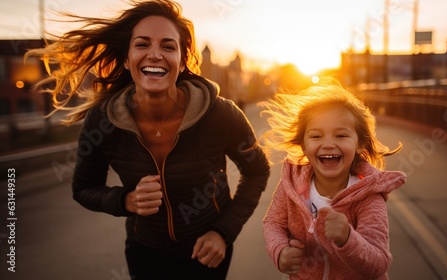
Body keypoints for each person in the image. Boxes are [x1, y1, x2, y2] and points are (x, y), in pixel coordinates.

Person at [26, 1, 270, 279]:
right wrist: (125, 200)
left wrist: (223, 232)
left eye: (168, 46)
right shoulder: (102, 121)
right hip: (145, 252)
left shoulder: (220, 114)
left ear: (182, 62)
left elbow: (258, 171)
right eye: (142, 44)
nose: (155, 54)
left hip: (207, 253)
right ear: (128, 59)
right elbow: (83, 189)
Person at [260, 79, 406, 279]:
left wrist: (348, 238)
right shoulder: (292, 184)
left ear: (360, 144)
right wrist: (280, 251)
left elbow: (378, 264)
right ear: (303, 145)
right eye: (316, 136)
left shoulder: (369, 196)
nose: (328, 144)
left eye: (340, 136)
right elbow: (273, 223)